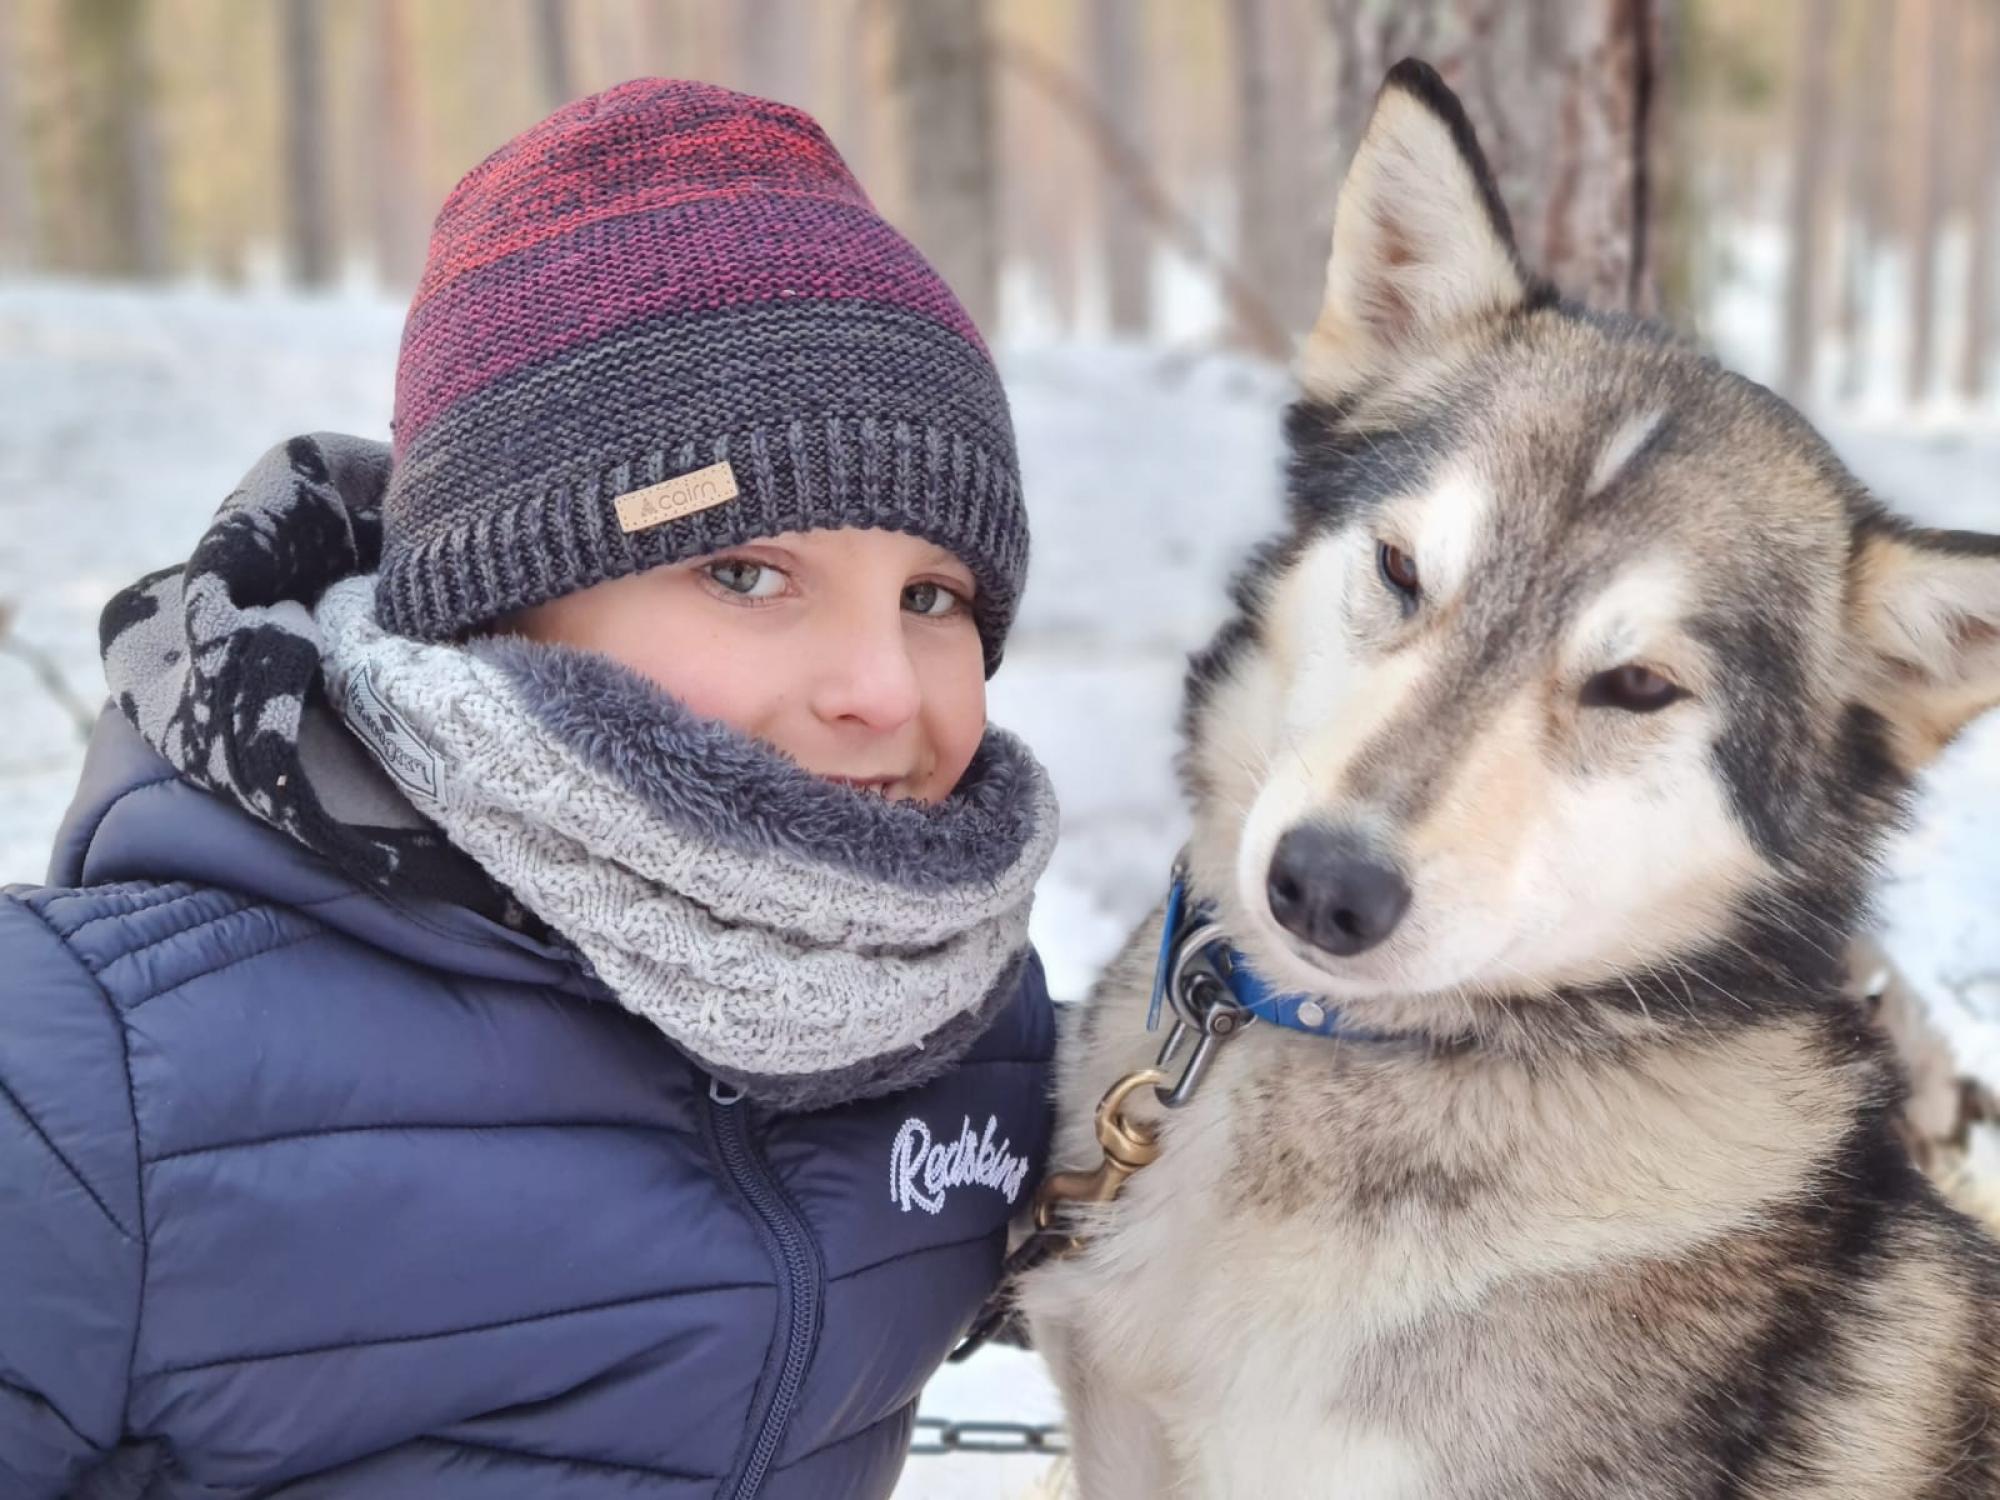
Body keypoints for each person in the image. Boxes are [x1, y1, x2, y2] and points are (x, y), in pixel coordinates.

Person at [0, 79, 1058, 1499]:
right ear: (500, 605)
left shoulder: (958, 1018)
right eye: (746, 572)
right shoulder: (80, 1078)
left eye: (935, 594)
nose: (882, 686)